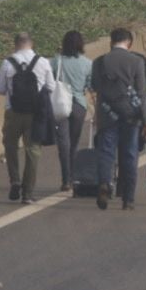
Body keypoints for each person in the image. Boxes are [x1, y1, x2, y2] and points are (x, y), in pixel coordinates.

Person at [91, 27, 146, 211]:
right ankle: (128, 199)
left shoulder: (99, 62)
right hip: (130, 116)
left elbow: (94, 86)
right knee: (130, 154)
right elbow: (142, 93)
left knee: (106, 152)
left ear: (111, 42)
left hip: (106, 114)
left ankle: (103, 184)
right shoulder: (136, 61)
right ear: (129, 43)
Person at [0, 32, 55, 203]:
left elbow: (1, 89)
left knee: (10, 146)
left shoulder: (7, 63)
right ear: (31, 44)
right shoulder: (42, 62)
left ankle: (15, 180)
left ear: (15, 44)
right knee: (33, 151)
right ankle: (28, 193)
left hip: (13, 112)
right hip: (35, 114)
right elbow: (51, 87)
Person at [52, 30, 93, 194]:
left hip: (61, 105)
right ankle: (72, 177)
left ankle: (65, 179)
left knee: (63, 143)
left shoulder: (57, 61)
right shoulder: (87, 63)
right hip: (79, 106)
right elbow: (90, 86)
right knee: (74, 143)